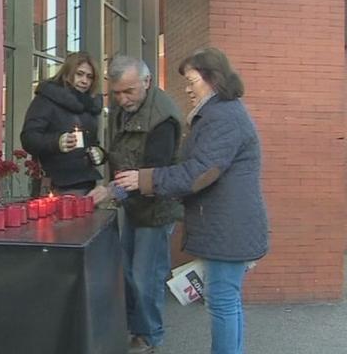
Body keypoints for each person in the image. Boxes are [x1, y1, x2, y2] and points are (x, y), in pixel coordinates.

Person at [96, 47, 269, 354]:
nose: (187, 88)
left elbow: (199, 172)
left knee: (222, 302)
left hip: (228, 226)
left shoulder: (222, 117)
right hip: (225, 224)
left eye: (192, 80)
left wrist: (142, 179)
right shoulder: (218, 113)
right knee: (226, 301)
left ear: (212, 79)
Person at [88, 55, 184, 354]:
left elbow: (152, 175)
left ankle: (149, 337)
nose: (122, 99)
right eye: (116, 92)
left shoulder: (163, 119)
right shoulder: (123, 109)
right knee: (129, 273)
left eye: (128, 91)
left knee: (145, 278)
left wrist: (110, 191)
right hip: (132, 205)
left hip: (155, 209)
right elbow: (124, 152)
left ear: (147, 81)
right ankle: (135, 331)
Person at [20, 51, 104, 197]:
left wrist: (101, 154)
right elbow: (29, 138)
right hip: (57, 185)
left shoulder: (89, 106)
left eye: (89, 77)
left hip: (88, 184)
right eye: (80, 74)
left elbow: (92, 143)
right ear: (67, 74)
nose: (84, 81)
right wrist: (56, 142)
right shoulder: (47, 100)